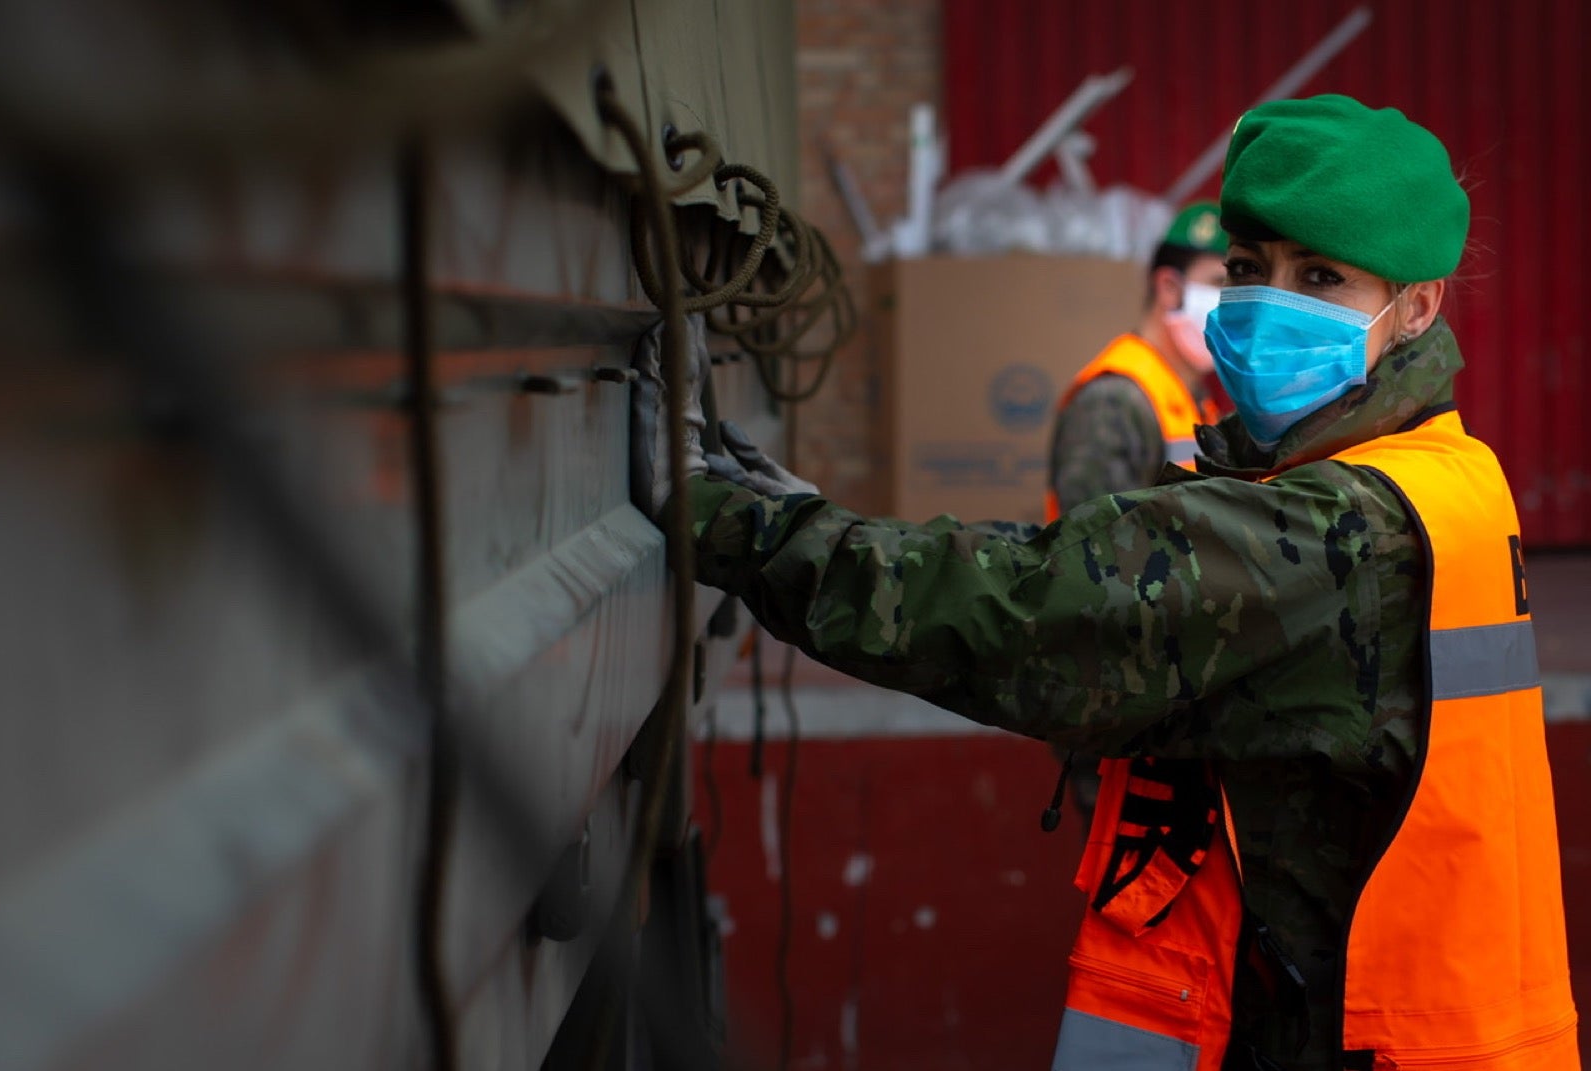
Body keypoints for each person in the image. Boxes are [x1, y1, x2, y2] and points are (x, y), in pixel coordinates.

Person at [640, 94, 1579, 1070]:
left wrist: (744, 528)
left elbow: (1036, 608)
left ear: (1417, 303)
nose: (1266, 302)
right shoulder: (1451, 474)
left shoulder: (1341, 522)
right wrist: (823, 521)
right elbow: (1094, 562)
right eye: (1249, 270)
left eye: (1322, 277)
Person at [1043, 200, 1230, 830]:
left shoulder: (1188, 395)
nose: (1231, 304)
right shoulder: (1116, 399)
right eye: (1220, 284)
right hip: (1117, 697)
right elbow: (1096, 566)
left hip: (1170, 691)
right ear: (1168, 286)